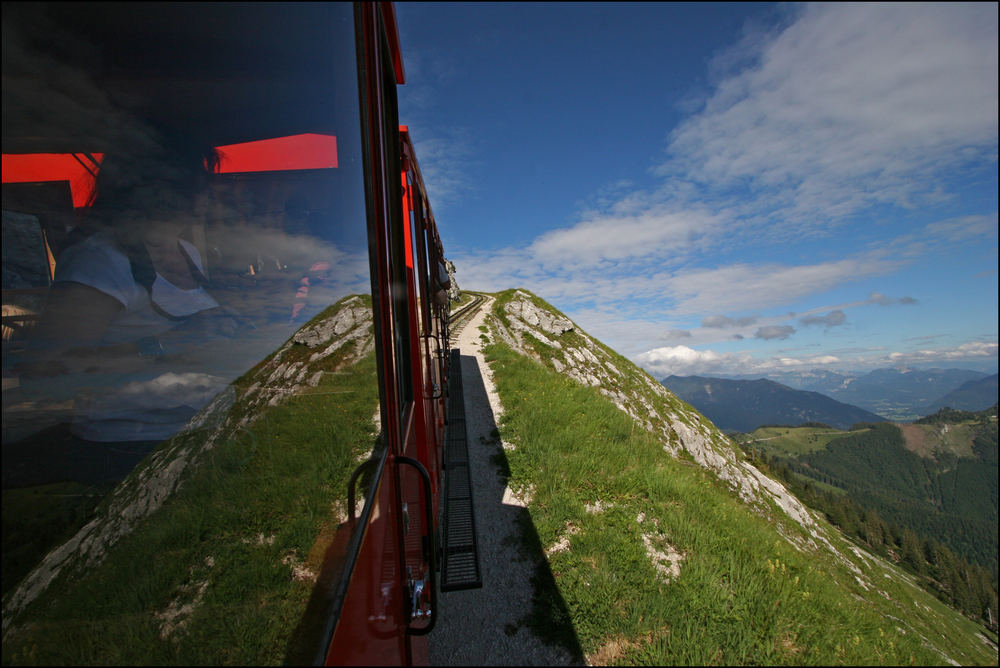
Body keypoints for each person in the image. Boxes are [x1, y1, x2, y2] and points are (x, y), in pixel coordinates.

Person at [10, 136, 238, 483]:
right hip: (128, 450)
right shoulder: (101, 260)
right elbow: (44, 374)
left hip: (194, 433)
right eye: (197, 178)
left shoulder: (187, 250)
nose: (207, 190)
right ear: (158, 188)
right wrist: (163, 345)